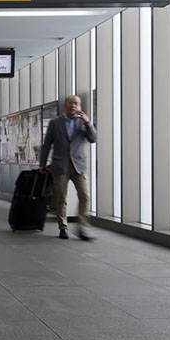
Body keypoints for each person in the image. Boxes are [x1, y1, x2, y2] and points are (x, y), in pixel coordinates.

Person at [40, 95, 97, 240]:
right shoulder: (55, 122)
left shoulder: (83, 122)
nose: (73, 106)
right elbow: (47, 144)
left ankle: (83, 227)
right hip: (60, 166)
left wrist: (88, 123)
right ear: (65, 105)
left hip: (79, 165)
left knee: (85, 196)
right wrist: (42, 164)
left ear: (79, 106)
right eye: (71, 103)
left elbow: (93, 139)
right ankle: (63, 227)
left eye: (76, 103)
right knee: (61, 198)